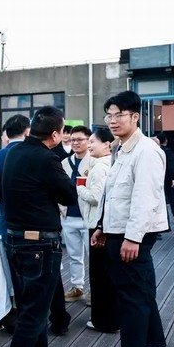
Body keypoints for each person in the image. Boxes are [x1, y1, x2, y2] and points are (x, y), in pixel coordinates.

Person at [0, 106, 77, 347]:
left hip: (16, 240)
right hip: (39, 244)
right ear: (55, 135)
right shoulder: (46, 159)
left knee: (31, 306)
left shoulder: (14, 152)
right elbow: (69, 195)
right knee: (34, 312)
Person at [91, 91, 168, 347]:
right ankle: (150, 346)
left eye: (119, 114)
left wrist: (133, 237)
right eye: (109, 115)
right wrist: (102, 226)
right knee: (141, 291)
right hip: (118, 231)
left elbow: (145, 198)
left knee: (130, 297)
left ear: (135, 116)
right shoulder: (121, 148)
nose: (112, 120)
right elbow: (113, 195)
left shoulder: (145, 151)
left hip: (133, 234)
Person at [77, 128, 119, 333]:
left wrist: (79, 188)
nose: (89, 145)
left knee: (100, 275)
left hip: (98, 225)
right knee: (104, 274)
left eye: (93, 141)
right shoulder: (108, 163)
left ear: (107, 144)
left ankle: (103, 320)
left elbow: (96, 197)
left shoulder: (101, 167)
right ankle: (107, 318)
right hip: (103, 224)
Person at [60, 126, 93, 303]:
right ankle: (77, 287)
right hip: (68, 215)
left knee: (93, 257)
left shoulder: (95, 161)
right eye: (73, 140)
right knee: (73, 255)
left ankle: (95, 290)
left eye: (80, 139)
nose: (75, 143)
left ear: (89, 141)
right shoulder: (65, 162)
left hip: (88, 217)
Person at [155, 133, 174, 225]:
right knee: (171, 198)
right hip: (167, 178)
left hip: (158, 178)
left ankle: (163, 219)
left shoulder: (155, 151)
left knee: (160, 199)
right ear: (166, 140)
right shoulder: (167, 151)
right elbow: (172, 165)